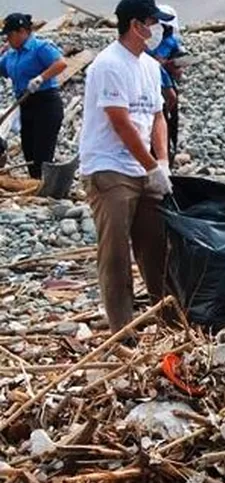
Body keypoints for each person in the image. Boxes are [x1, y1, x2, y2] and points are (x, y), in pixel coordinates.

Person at [78, 0, 175, 332]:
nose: (157, 29)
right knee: (116, 252)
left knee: (156, 246)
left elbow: (157, 115)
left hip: (143, 167)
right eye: (153, 22)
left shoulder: (148, 65)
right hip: (109, 168)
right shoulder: (109, 65)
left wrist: (161, 162)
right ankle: (122, 329)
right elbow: (120, 123)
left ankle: (168, 318)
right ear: (137, 25)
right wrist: (151, 166)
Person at [0, 13, 68, 179]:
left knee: (42, 150)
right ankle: (35, 182)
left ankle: (44, 185)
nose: (8, 39)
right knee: (28, 146)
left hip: (45, 103)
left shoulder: (40, 47)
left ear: (23, 31)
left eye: (10, 35)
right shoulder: (11, 54)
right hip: (25, 103)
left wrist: (41, 78)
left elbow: (61, 63)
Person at [148, 4, 184, 164]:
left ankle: (163, 160)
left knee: (165, 126)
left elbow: (178, 71)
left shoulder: (171, 41)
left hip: (164, 84)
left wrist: (172, 67)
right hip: (158, 86)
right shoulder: (147, 44)